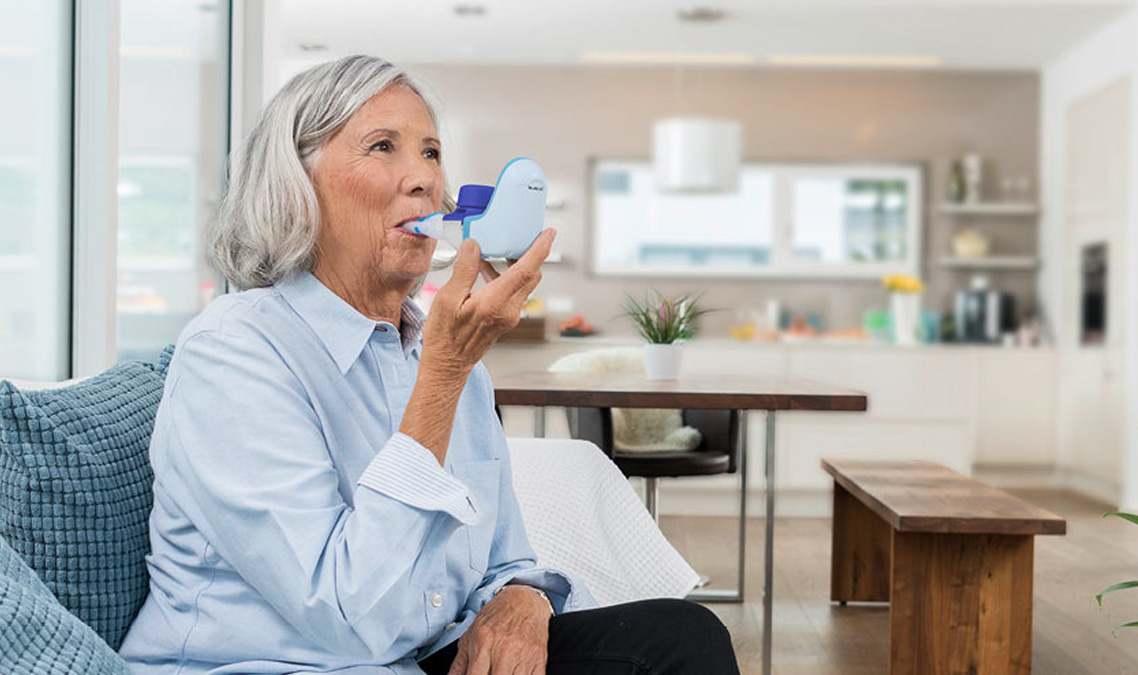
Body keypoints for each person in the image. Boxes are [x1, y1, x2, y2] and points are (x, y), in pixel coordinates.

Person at [118, 54, 740, 675]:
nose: (423, 179)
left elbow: (504, 560)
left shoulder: (448, 358)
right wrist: (442, 375)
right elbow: (346, 613)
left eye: (432, 153)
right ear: (296, 183)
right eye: (383, 146)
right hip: (288, 665)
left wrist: (525, 599)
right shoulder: (237, 350)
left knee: (679, 637)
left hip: (417, 660)